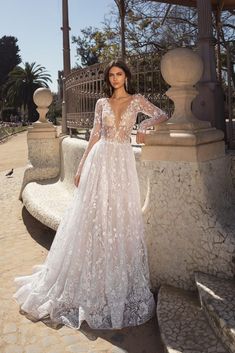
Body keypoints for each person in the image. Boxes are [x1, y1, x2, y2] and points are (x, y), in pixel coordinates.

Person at [13, 59, 169, 330]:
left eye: (119, 74)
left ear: (126, 77)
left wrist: (144, 128)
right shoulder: (101, 104)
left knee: (118, 212)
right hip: (101, 159)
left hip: (122, 161)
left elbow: (162, 114)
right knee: (93, 214)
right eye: (111, 75)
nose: (115, 79)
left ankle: (115, 273)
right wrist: (83, 166)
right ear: (108, 79)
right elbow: (95, 134)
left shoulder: (137, 100)